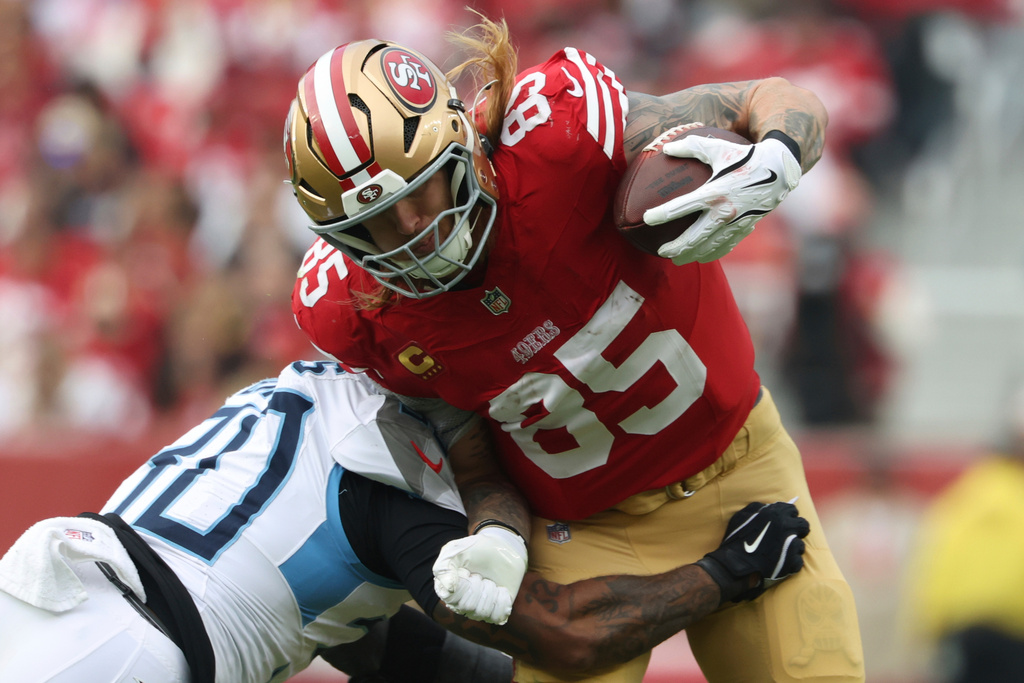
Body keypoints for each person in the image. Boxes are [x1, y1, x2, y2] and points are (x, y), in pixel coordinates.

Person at [286, 14, 864, 682]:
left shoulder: (557, 137)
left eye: (419, 194)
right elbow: (470, 449)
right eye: (375, 224)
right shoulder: (359, 309)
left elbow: (771, 99)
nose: (410, 232)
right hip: (583, 534)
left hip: (739, 470)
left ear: (463, 145)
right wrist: (497, 532)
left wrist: (775, 158)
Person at [0, 360, 810, 683]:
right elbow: (561, 631)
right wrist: (723, 573)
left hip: (43, 596)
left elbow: (375, 641)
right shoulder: (390, 471)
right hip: (124, 653)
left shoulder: (305, 393)